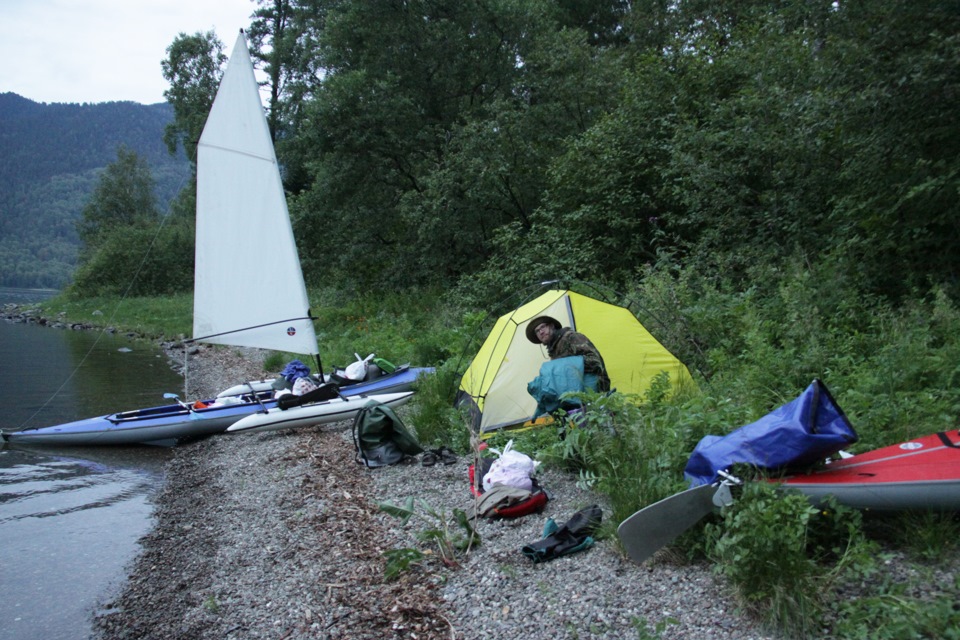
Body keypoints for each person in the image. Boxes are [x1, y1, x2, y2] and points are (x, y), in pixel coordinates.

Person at [526, 315, 611, 392]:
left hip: (596, 388)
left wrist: (565, 366)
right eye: (537, 331)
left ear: (552, 326)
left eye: (543, 327)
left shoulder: (571, 338)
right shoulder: (553, 351)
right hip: (575, 393)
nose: (541, 332)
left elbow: (595, 362)